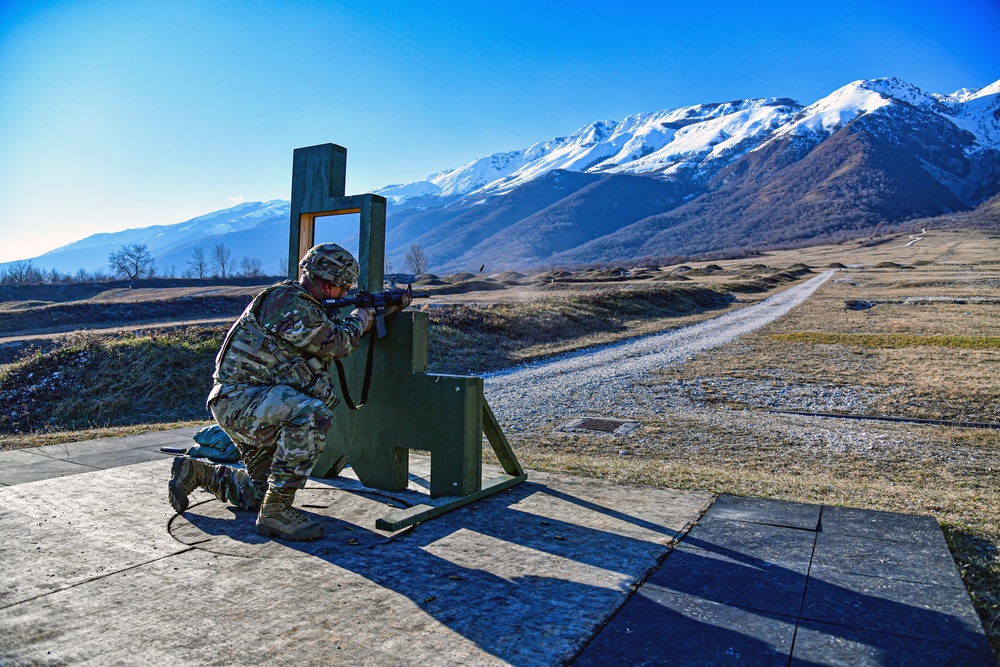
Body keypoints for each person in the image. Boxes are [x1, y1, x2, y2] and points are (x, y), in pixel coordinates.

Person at [167, 243, 410, 541]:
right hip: (242, 402)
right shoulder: (287, 302)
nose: (345, 293)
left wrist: (381, 307)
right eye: (342, 286)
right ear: (324, 282)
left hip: (248, 403)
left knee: (259, 491)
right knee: (311, 414)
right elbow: (336, 343)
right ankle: (277, 513)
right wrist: (363, 315)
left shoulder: (302, 303)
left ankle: (196, 473)